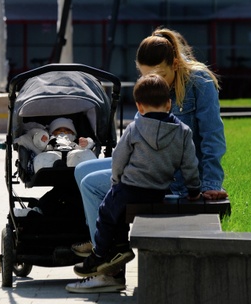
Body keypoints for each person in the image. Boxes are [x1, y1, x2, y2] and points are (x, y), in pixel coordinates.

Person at [66, 27, 228, 293]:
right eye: (146, 76)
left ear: (175, 63)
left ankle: (109, 262)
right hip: (150, 163)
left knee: (93, 185)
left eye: (161, 75)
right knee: (82, 170)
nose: (155, 83)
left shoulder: (199, 82)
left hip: (170, 175)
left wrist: (209, 182)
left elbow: (212, 136)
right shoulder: (157, 81)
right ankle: (104, 244)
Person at [71, 73, 200, 279]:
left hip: (130, 188)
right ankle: (120, 247)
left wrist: (115, 181)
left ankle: (100, 255)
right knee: (118, 213)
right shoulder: (183, 132)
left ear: (139, 107)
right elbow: (190, 164)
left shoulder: (135, 127)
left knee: (106, 212)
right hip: (158, 191)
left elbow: (119, 158)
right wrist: (194, 189)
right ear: (168, 104)